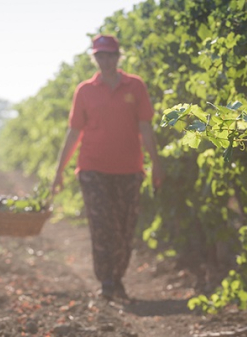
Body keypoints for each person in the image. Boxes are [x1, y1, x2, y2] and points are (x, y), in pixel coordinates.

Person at [52, 34, 164, 302]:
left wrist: (156, 164)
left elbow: (145, 127)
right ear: (95, 58)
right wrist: (59, 170)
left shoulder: (135, 86)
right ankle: (107, 281)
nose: (106, 60)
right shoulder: (85, 90)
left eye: (110, 55)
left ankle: (118, 277)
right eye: (100, 55)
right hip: (93, 169)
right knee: (102, 225)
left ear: (118, 57)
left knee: (125, 228)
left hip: (129, 169)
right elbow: (74, 131)